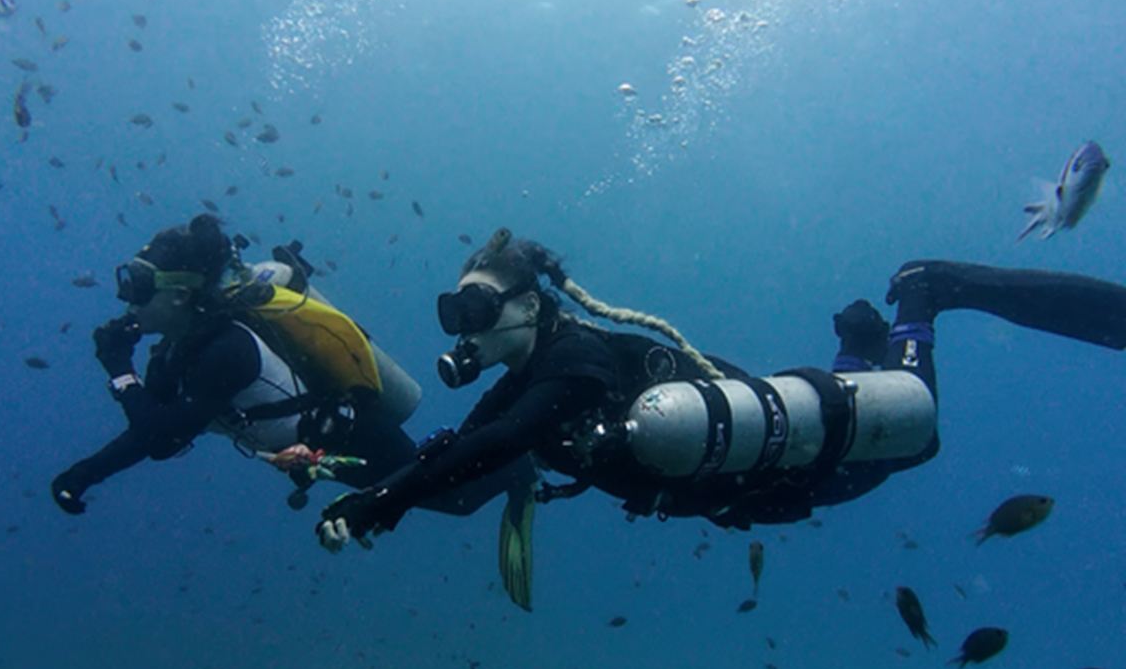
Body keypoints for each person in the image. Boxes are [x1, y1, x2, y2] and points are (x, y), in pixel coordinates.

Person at [314, 228, 1126, 552]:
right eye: (455, 313)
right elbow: (465, 447)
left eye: (477, 309)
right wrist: (369, 483)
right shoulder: (532, 374)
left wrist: (382, 502)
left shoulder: (574, 363)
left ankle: (926, 291)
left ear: (530, 305)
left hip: (790, 465)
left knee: (915, 433)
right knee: (861, 419)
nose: (465, 329)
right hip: (761, 474)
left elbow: (499, 442)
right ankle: (856, 344)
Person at [51, 215, 534, 522]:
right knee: (437, 494)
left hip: (354, 435)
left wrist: (118, 368)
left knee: (452, 499)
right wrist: (85, 473)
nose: (127, 301)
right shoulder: (173, 353)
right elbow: (153, 430)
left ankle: (519, 462)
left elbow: (159, 437)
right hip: (319, 449)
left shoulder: (226, 349)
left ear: (179, 295)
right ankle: (505, 452)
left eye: (139, 289)